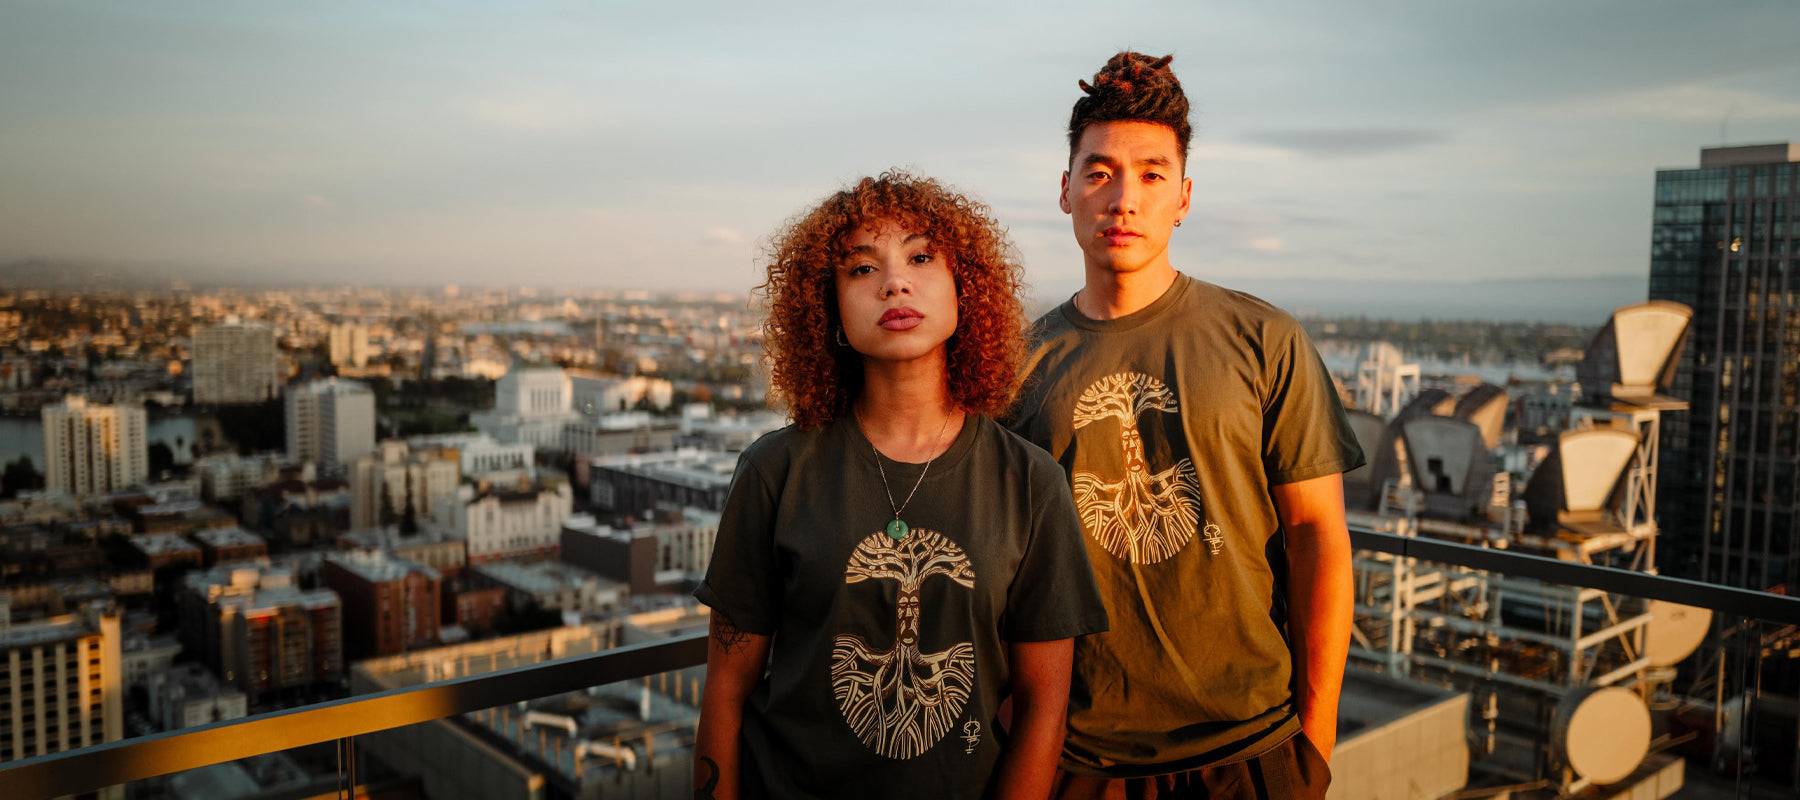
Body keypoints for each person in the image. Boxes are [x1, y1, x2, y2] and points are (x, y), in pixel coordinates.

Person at [1006, 53, 1364, 799]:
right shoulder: (1017, 368)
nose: (1123, 199)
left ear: (1185, 197)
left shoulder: (1265, 339)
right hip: (1078, 759)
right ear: (1065, 191)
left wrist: (1315, 745)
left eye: (1152, 174)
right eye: (1099, 173)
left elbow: (1318, 539)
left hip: (1249, 748)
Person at [695, 171, 1109, 800]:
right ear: (827, 309)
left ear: (964, 290)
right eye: (861, 269)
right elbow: (726, 692)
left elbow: (1042, 709)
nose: (895, 281)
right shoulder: (774, 471)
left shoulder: (1029, 483)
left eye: (921, 258)